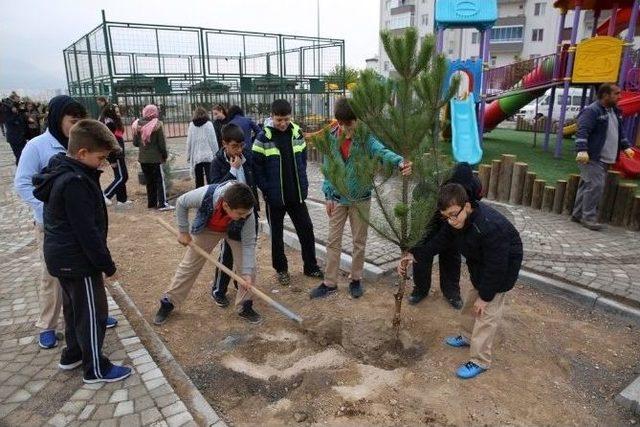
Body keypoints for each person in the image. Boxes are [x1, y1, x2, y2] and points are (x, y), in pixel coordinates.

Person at [32, 119, 132, 384]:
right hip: (78, 261)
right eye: (100, 158)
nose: (102, 163)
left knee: (74, 309)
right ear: (82, 153)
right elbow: (86, 232)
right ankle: (95, 368)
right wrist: (107, 265)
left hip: (62, 258)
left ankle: (73, 354)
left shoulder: (64, 171)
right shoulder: (75, 181)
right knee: (92, 312)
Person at [15, 95, 118, 349]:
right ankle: (47, 325)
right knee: (52, 277)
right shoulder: (37, 146)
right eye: (73, 121)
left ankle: (93, 315)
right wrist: (50, 208)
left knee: (86, 275)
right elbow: (23, 183)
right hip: (52, 226)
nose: (76, 126)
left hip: (78, 224)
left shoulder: (82, 145)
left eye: (80, 120)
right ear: (57, 119)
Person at [398, 183, 523, 379]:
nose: (451, 220)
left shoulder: (490, 226)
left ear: (466, 206)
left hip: (503, 268)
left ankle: (480, 360)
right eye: (446, 216)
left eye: (454, 214)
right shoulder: (454, 223)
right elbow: (437, 242)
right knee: (470, 303)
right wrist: (414, 255)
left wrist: (486, 296)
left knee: (486, 313)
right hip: (480, 264)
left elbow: (496, 266)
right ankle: (466, 336)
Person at [309, 97, 411, 299]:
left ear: (357, 120)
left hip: (361, 198)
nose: (346, 128)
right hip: (338, 198)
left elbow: (381, 151)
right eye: (342, 123)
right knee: (332, 241)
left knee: (359, 242)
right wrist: (328, 195)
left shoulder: (365, 137)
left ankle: (356, 279)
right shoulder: (331, 137)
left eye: (350, 123)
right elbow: (329, 168)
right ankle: (329, 282)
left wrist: (400, 161)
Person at [153, 181, 261, 325]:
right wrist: (183, 231)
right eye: (240, 213)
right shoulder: (206, 194)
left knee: (249, 269)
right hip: (208, 228)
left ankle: (245, 305)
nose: (244, 216)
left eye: (245, 213)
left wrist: (246, 272)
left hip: (236, 231)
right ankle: (169, 302)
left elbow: (248, 244)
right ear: (226, 205)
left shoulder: (247, 213)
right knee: (189, 265)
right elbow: (181, 202)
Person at [252, 99, 323, 286]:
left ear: (290, 117)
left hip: (296, 195)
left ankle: (311, 266)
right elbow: (256, 167)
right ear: (272, 117)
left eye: (285, 119)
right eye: (278, 119)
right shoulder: (263, 138)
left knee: (306, 229)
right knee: (277, 235)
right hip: (275, 198)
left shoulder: (297, 133)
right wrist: (266, 189)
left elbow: (302, 161)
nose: (282, 123)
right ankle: (281, 270)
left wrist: (304, 183)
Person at [408, 162, 483, 309]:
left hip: (455, 216)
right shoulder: (429, 188)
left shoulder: (475, 186)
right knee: (423, 249)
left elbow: (475, 206)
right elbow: (418, 219)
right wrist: (414, 244)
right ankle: (420, 289)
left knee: (452, 251)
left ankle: (451, 292)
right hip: (431, 215)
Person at [209, 123, 260, 307]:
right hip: (229, 216)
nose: (239, 150)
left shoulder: (247, 158)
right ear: (224, 144)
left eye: (241, 146)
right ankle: (219, 289)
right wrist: (232, 171)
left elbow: (252, 183)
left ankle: (242, 285)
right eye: (234, 146)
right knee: (228, 253)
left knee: (247, 250)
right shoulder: (218, 163)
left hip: (247, 214)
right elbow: (215, 189)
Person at [573, 83, 635, 231]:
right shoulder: (592, 111)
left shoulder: (615, 111)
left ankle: (577, 214)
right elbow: (582, 131)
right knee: (596, 186)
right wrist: (582, 150)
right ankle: (588, 218)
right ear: (606, 95)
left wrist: (626, 146)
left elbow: (619, 132)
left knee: (588, 185)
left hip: (606, 157)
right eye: (617, 93)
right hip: (592, 157)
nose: (620, 96)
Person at [132, 104, 174, 211]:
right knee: (160, 181)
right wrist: (164, 155)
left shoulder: (137, 125)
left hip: (143, 159)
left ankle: (152, 203)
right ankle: (163, 203)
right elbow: (161, 144)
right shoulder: (157, 125)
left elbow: (136, 143)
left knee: (149, 181)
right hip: (155, 159)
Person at [101, 104, 131, 208]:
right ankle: (106, 195)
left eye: (119, 112)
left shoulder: (113, 122)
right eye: (117, 112)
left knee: (120, 176)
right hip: (116, 155)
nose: (119, 114)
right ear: (111, 113)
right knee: (123, 177)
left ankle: (122, 199)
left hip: (118, 154)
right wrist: (111, 159)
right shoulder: (109, 124)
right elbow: (108, 143)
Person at [186, 106, 218, 188]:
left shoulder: (191, 125)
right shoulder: (209, 124)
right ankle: (211, 195)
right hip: (208, 156)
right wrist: (216, 153)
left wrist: (188, 156)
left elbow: (189, 142)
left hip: (196, 156)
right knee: (210, 178)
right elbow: (213, 140)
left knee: (199, 180)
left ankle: (199, 198)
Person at [4, 93, 28, 164]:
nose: (19, 99)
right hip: (14, 137)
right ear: (13, 98)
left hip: (21, 137)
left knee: (24, 155)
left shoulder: (16, 107)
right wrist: (15, 113)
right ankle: (20, 172)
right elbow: (8, 121)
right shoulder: (7, 108)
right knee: (19, 156)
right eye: (17, 97)